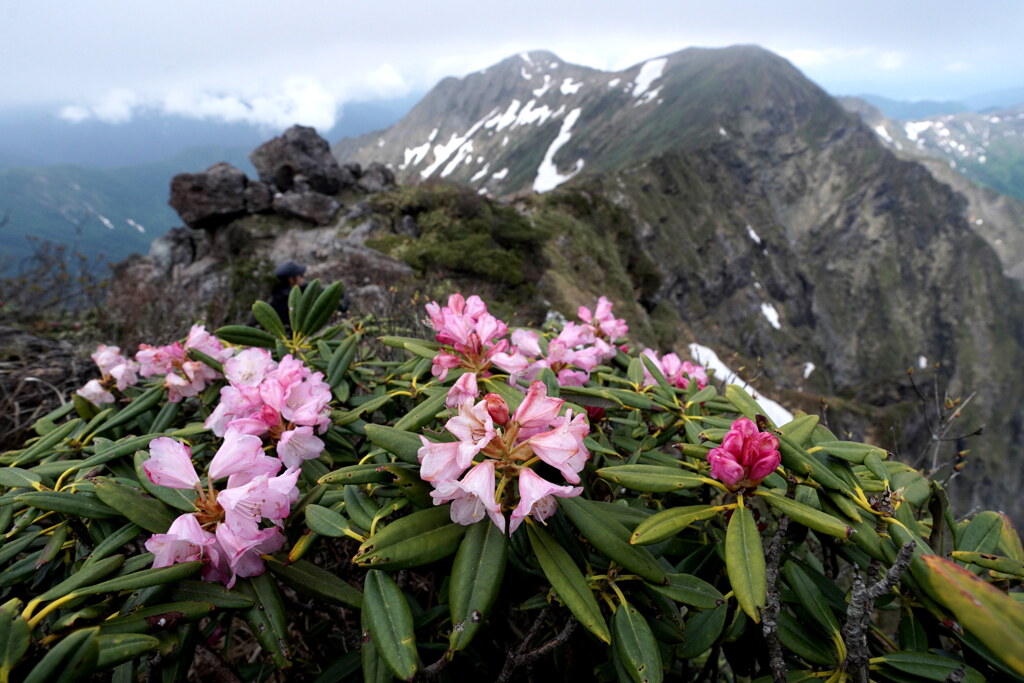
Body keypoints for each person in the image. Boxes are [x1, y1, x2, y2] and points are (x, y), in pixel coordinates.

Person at [269, 260, 306, 327]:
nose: (302, 277)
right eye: (300, 275)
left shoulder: (275, 297)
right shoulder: (281, 302)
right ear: (291, 279)